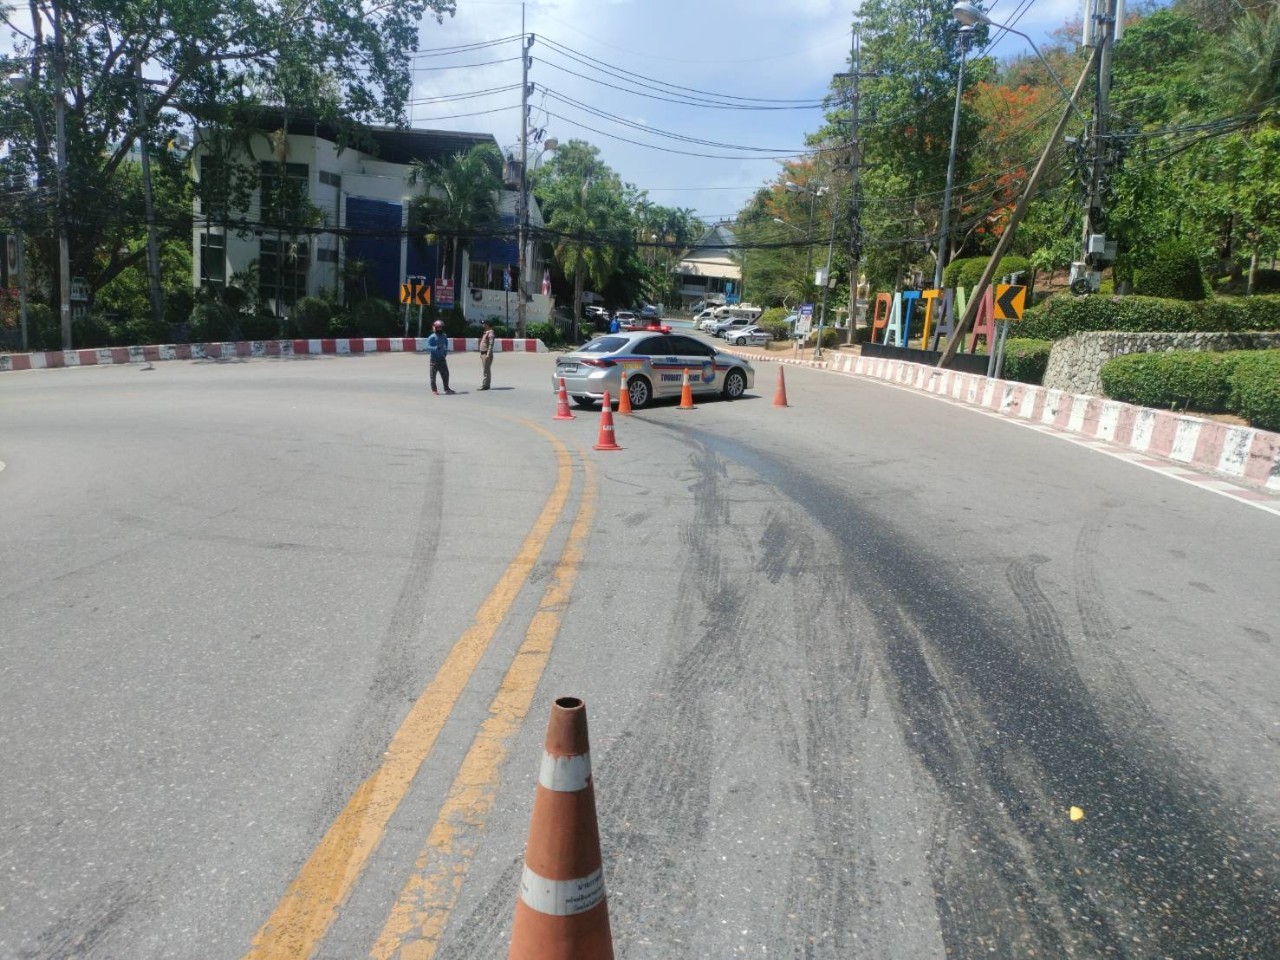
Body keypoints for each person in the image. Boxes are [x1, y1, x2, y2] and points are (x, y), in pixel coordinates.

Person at [426, 320, 454, 395]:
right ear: (434, 328)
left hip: (442, 358)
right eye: (438, 328)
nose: (439, 329)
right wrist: (435, 348)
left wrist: (445, 353)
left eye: (441, 328)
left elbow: (446, 344)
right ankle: (434, 390)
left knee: (446, 374)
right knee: (433, 375)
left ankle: (446, 388)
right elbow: (427, 347)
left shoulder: (444, 336)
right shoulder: (432, 337)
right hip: (434, 359)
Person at [478, 320, 495, 390]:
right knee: (486, 369)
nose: (482, 325)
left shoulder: (490, 333)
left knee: (486, 370)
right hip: (483, 353)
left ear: (487, 325)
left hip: (486, 354)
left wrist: (488, 354)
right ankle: (486, 385)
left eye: (484, 324)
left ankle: (485, 385)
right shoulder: (486, 333)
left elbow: (491, 344)